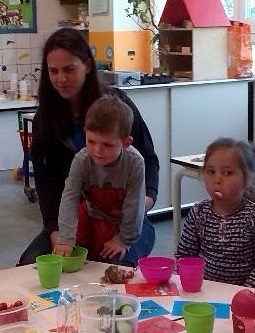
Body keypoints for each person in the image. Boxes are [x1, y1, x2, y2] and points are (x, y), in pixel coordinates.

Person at [19, 28, 159, 266]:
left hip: (126, 219)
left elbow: (149, 159)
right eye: (53, 71)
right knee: (30, 263)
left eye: (69, 69)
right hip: (76, 216)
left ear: (86, 65)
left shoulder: (117, 106)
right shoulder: (46, 118)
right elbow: (46, 182)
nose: (61, 79)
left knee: (116, 268)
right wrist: (55, 231)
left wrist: (142, 204)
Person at [54, 95, 146, 264]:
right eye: (91, 141)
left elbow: (135, 206)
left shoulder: (135, 162)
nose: (97, 151)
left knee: (113, 263)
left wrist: (123, 240)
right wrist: (65, 238)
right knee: (69, 256)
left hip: (124, 222)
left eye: (107, 145)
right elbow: (69, 198)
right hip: (91, 215)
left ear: (126, 142)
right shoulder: (81, 159)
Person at [175, 137, 255, 290]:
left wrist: (245, 295)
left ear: (247, 179)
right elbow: (184, 256)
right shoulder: (199, 212)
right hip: (201, 293)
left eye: (227, 173)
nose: (217, 180)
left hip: (242, 299)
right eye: (211, 172)